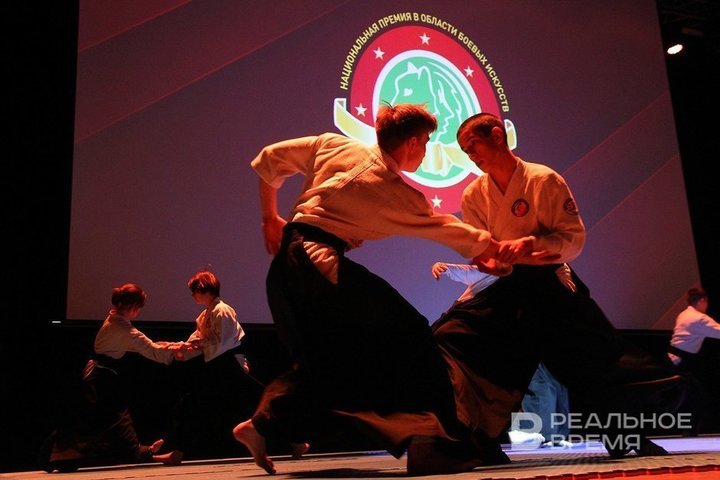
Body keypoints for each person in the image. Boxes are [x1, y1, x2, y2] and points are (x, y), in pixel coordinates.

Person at [233, 103, 540, 476]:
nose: (425, 152)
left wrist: (269, 217)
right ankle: (436, 441)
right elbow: (446, 228)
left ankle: (261, 425)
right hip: (317, 264)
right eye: (425, 142)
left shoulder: (334, 144)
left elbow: (269, 160)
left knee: (338, 358)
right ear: (411, 143)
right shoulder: (391, 189)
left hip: (291, 268)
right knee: (409, 332)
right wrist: (497, 252)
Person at [431, 112, 683, 460]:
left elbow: (572, 237)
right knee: (455, 338)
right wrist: (490, 261)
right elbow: (483, 249)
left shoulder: (543, 179)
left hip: (547, 280)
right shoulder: (474, 194)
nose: (471, 155)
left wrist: (532, 245)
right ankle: (479, 441)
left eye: (473, 145)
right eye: (464, 150)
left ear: (497, 136)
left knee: (590, 360)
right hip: (506, 287)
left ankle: (627, 437)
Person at [38, 283, 180, 472]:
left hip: (97, 377)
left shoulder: (115, 318)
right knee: (112, 423)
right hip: (100, 381)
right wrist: (179, 350)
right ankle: (146, 453)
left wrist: (172, 346)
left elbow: (145, 345)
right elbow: (151, 349)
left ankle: (144, 452)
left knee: (92, 424)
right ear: (134, 307)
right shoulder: (122, 328)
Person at [430, 262, 571, 449]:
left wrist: (560, 278)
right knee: (529, 380)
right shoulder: (503, 268)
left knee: (542, 379)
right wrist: (447, 268)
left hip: (515, 332)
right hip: (479, 332)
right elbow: (474, 272)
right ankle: (536, 432)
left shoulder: (542, 270)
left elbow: (562, 279)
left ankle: (547, 432)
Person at [153, 269, 265, 465]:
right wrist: (179, 348)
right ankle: (178, 452)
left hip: (228, 364)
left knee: (258, 402)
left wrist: (194, 345)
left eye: (195, 291)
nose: (193, 295)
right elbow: (196, 341)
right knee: (193, 404)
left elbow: (223, 342)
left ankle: (295, 441)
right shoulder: (204, 315)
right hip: (215, 366)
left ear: (205, 290)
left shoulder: (223, 310)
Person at [668, 287, 720, 434]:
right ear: (702, 301)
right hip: (680, 362)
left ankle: (687, 430)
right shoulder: (699, 318)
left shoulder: (684, 314)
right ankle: (688, 430)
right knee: (696, 397)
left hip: (674, 360)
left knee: (690, 396)